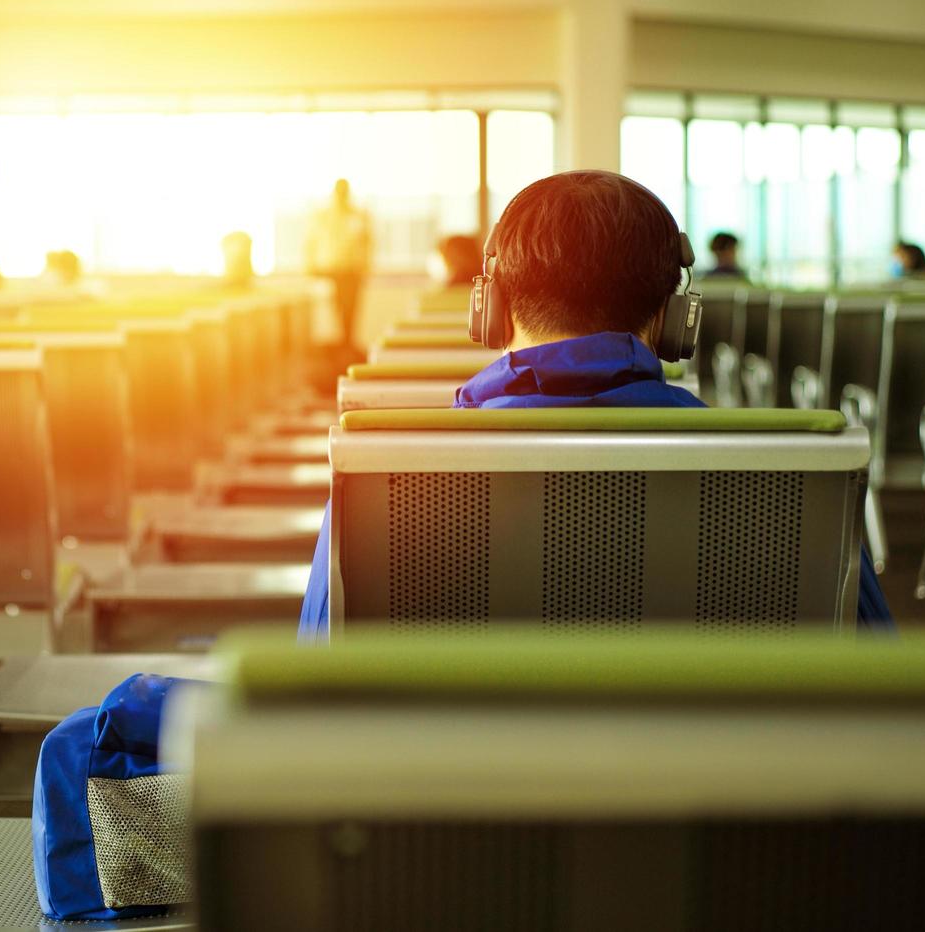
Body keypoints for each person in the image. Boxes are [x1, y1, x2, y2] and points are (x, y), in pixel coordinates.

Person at [298, 170, 894, 637]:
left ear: (492, 307)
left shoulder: (390, 470)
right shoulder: (786, 470)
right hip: (729, 786)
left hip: (452, 786)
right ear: (674, 319)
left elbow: (323, 668)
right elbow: (872, 669)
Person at [303, 179, 372, 352]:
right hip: (331, 271)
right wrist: (310, 265)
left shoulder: (358, 215)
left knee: (351, 310)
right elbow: (310, 242)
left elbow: (367, 243)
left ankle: (347, 343)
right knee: (336, 309)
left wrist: (365, 267)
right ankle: (340, 345)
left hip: (352, 271)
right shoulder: (323, 216)